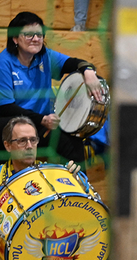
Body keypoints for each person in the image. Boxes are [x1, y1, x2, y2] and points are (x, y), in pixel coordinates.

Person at [0, 117, 97, 260]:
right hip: (8, 256)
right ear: (7, 145)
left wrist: (78, 180)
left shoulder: (52, 172)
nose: (29, 146)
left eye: (33, 140)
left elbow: (84, 208)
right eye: (22, 141)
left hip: (51, 250)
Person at [0, 12, 105, 164]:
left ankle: (79, 186)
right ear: (15, 38)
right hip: (14, 123)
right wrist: (42, 119)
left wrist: (88, 71)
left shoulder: (45, 56)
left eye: (39, 34)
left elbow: (74, 62)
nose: (36, 39)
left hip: (41, 124)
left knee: (72, 141)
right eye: (29, 35)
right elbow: (5, 108)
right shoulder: (4, 62)